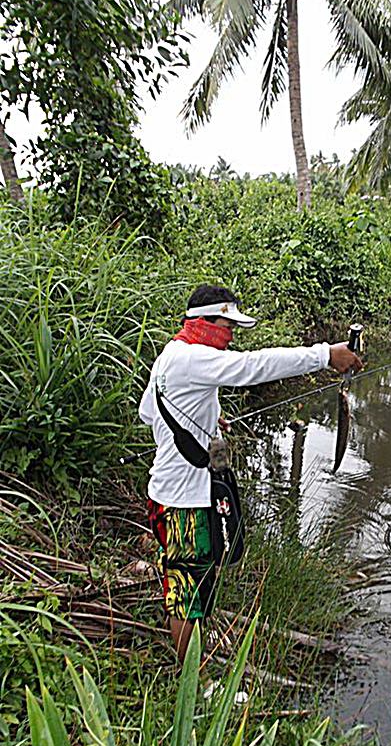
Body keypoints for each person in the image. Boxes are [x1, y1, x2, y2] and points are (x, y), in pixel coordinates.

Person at [139, 284, 363, 664]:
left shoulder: (172, 354)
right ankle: (191, 683)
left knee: (194, 584)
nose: (231, 336)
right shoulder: (193, 359)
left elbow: (149, 411)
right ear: (206, 321)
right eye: (227, 327)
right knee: (187, 597)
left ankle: (194, 661)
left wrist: (205, 419)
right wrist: (326, 355)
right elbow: (255, 366)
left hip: (175, 492)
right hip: (182, 502)